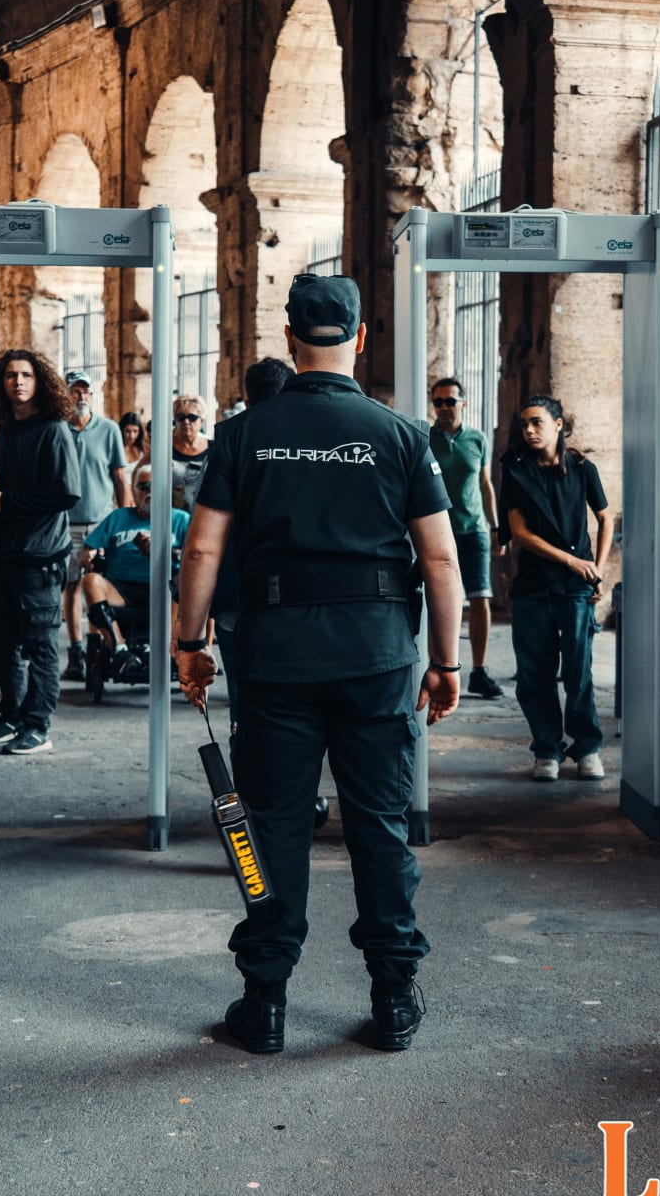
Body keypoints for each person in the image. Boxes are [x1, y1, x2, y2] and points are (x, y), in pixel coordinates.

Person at [175, 273, 463, 1056]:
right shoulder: (401, 436)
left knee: (273, 827)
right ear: (361, 337)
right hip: (377, 656)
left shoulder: (243, 434)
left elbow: (202, 549)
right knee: (380, 826)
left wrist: (191, 644)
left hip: (276, 659)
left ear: (290, 338)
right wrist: (445, 661)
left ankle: (265, 1001)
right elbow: (440, 560)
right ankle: (394, 999)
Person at [0, 349, 83, 755]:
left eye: (26, 375)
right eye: (10, 375)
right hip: (7, 553)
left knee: (40, 646)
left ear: (40, 382)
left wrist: (8, 502)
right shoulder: (6, 428)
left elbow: (67, 492)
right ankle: (13, 714)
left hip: (41, 557)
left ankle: (37, 726)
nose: (18, 382)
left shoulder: (54, 429)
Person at [498, 395, 612, 783]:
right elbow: (520, 533)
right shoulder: (516, 469)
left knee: (579, 670)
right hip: (533, 584)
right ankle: (547, 749)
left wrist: (598, 568)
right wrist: (572, 561)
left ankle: (588, 748)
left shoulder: (582, 468)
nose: (529, 430)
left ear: (558, 425)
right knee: (534, 672)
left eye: (537, 423)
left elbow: (604, 517)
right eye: (524, 424)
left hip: (575, 587)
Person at [212, 357, 294, 723]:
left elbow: (204, 542)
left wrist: (191, 635)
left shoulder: (230, 439)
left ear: (246, 398)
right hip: (301, 599)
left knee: (244, 706)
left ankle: (245, 746)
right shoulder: (313, 441)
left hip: (240, 594)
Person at [428, 378, 503, 700]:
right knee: (439, 599)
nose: (444, 407)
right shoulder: (425, 437)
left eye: (450, 401)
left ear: (463, 403)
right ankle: (439, 666)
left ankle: (479, 671)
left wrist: (496, 528)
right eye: (438, 402)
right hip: (437, 530)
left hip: (474, 528)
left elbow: (485, 484)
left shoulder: (477, 439)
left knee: (480, 598)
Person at [78, 464, 189, 670]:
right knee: (90, 581)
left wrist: (160, 552)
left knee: (184, 582)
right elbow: (87, 550)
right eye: (143, 486)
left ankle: (168, 648)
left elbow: (194, 558)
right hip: (121, 588)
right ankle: (120, 649)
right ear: (134, 490)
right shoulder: (118, 517)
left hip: (165, 590)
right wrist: (90, 554)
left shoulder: (180, 519)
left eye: (154, 486)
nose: (149, 492)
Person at [61, 370, 133, 682]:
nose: (81, 397)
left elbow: (120, 477)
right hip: (68, 523)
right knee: (71, 587)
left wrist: (126, 519)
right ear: (66, 395)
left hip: (102, 523)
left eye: (85, 392)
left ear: (92, 395)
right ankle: (75, 651)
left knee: (96, 587)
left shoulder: (108, 430)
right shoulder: (59, 429)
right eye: (75, 391)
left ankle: (95, 650)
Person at [168, 394, 211, 513]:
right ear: (175, 420)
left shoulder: (213, 447)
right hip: (172, 516)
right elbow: (140, 473)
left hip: (204, 514)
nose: (186, 422)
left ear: (201, 420)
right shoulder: (165, 447)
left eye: (192, 417)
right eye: (180, 417)